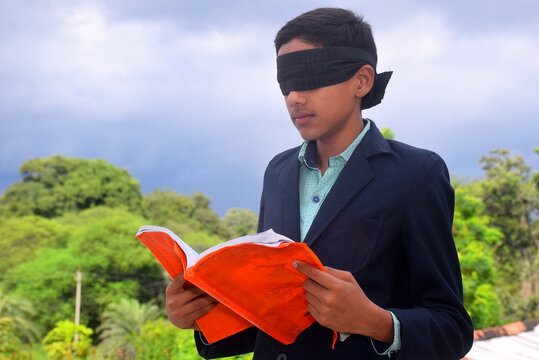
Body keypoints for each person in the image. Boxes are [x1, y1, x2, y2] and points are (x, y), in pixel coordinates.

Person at [166, 7, 474, 359]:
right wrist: (200, 317)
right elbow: (270, 316)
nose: (296, 97)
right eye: (287, 85)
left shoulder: (417, 174)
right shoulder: (278, 171)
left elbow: (452, 329)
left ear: (362, 80)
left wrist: (374, 321)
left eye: (310, 79)